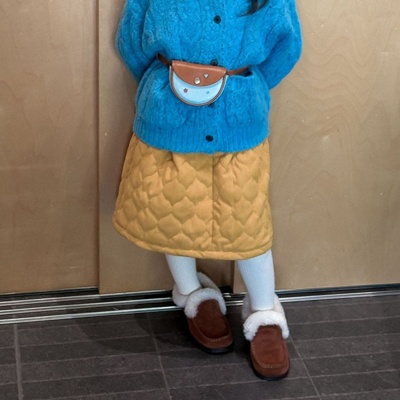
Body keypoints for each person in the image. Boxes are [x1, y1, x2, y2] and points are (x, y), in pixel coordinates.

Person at [113, 0, 302, 380]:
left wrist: (241, 86)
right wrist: (166, 85)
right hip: (168, 116)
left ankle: (264, 311)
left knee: (247, 221)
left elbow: (287, 47)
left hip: (239, 122)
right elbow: (131, 41)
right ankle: (192, 295)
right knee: (171, 211)